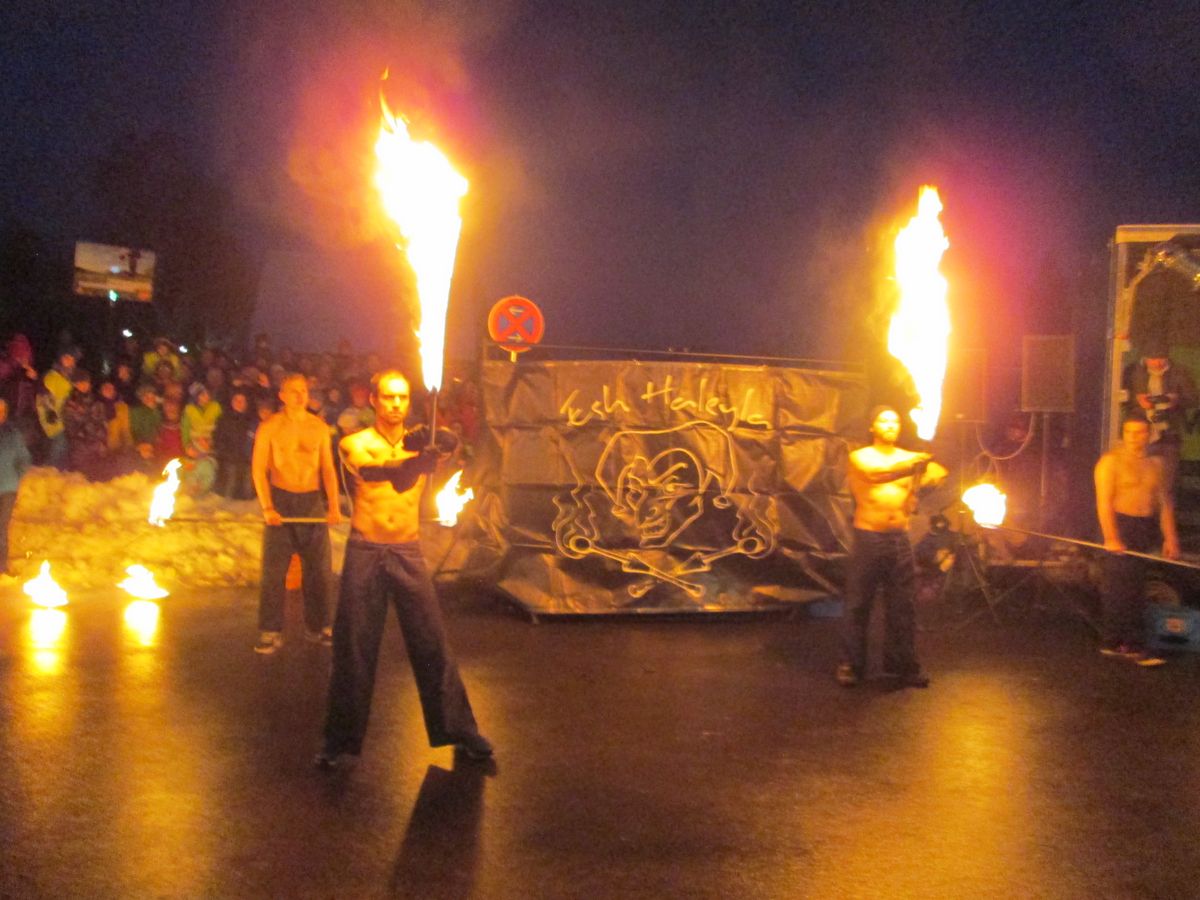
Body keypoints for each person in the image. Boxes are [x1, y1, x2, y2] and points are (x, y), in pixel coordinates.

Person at [315, 369, 492, 769]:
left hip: (407, 550)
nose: (395, 404)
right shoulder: (354, 442)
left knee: (432, 641)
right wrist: (419, 461)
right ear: (374, 400)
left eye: (402, 397)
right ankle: (338, 742)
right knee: (353, 646)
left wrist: (446, 443)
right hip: (366, 550)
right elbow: (376, 472)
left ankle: (460, 730)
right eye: (388, 397)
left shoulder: (421, 443)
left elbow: (454, 448)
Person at [836, 405, 948, 688]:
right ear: (872, 427)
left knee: (903, 606)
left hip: (899, 540)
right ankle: (852, 665)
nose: (890, 425)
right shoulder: (861, 457)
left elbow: (939, 473)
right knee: (858, 604)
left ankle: (902, 666)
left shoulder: (908, 458)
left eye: (895, 421)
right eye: (884, 420)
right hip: (868, 538)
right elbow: (877, 474)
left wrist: (925, 480)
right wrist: (915, 465)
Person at [251, 373, 341, 654]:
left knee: (319, 569)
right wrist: (267, 506)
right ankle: (270, 630)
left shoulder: (319, 427)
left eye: (303, 390)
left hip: (311, 500)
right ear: (282, 395)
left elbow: (328, 469)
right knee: (274, 570)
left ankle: (320, 626)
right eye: (293, 390)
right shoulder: (270, 427)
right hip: (281, 499)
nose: (300, 395)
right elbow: (258, 469)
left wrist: (334, 505)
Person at [1094, 415, 1179, 666]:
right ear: (1123, 434)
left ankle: (1128, 640)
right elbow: (1103, 503)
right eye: (1129, 432)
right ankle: (1119, 642)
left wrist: (1171, 538)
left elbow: (1164, 503)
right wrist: (1111, 537)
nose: (1134, 437)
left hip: (1144, 526)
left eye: (1140, 432)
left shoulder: (1157, 464)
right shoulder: (1110, 462)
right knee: (1120, 586)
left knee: (1137, 585)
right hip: (1120, 524)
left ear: (1148, 435)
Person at [1121, 348, 1197, 493]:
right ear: (1145, 357)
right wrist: (1137, 400)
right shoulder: (1133, 371)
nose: (1157, 363)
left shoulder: (1179, 372)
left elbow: (1194, 399)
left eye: (1161, 358)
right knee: (1139, 481)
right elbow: (1117, 398)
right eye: (1152, 359)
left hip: (1168, 435)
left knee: (1166, 483)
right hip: (1139, 435)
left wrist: (1176, 400)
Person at [0, 398, 31, 576]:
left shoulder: (13, 433)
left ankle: (1, 566)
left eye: (2, 410)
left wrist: (17, 475)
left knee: (1, 528)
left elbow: (24, 458)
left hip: (7, 489)